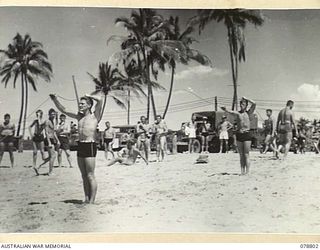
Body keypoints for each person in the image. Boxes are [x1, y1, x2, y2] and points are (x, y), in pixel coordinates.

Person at [50, 93, 102, 204]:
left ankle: (92, 201)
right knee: (83, 175)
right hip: (81, 146)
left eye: (82, 103)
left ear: (89, 105)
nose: (80, 105)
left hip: (90, 146)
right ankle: (86, 199)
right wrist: (55, 99)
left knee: (90, 175)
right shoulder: (79, 117)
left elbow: (100, 100)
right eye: (80, 103)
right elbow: (63, 110)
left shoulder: (95, 116)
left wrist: (89, 95)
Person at [221, 97, 256, 175]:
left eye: (243, 104)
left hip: (247, 134)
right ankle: (242, 171)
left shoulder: (249, 113)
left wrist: (247, 98)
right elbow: (231, 112)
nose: (242, 105)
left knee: (246, 154)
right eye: (241, 104)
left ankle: (247, 172)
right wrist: (225, 109)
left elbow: (254, 103)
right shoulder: (238, 113)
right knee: (241, 155)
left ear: (246, 105)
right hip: (239, 134)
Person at [37, 108, 60, 175]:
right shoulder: (47, 121)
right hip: (48, 140)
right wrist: (49, 142)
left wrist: (57, 140)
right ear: (49, 114)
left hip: (52, 139)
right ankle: (50, 172)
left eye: (54, 114)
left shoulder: (52, 121)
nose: (53, 115)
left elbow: (53, 132)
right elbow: (46, 132)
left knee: (50, 157)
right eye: (52, 114)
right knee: (53, 156)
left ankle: (38, 166)